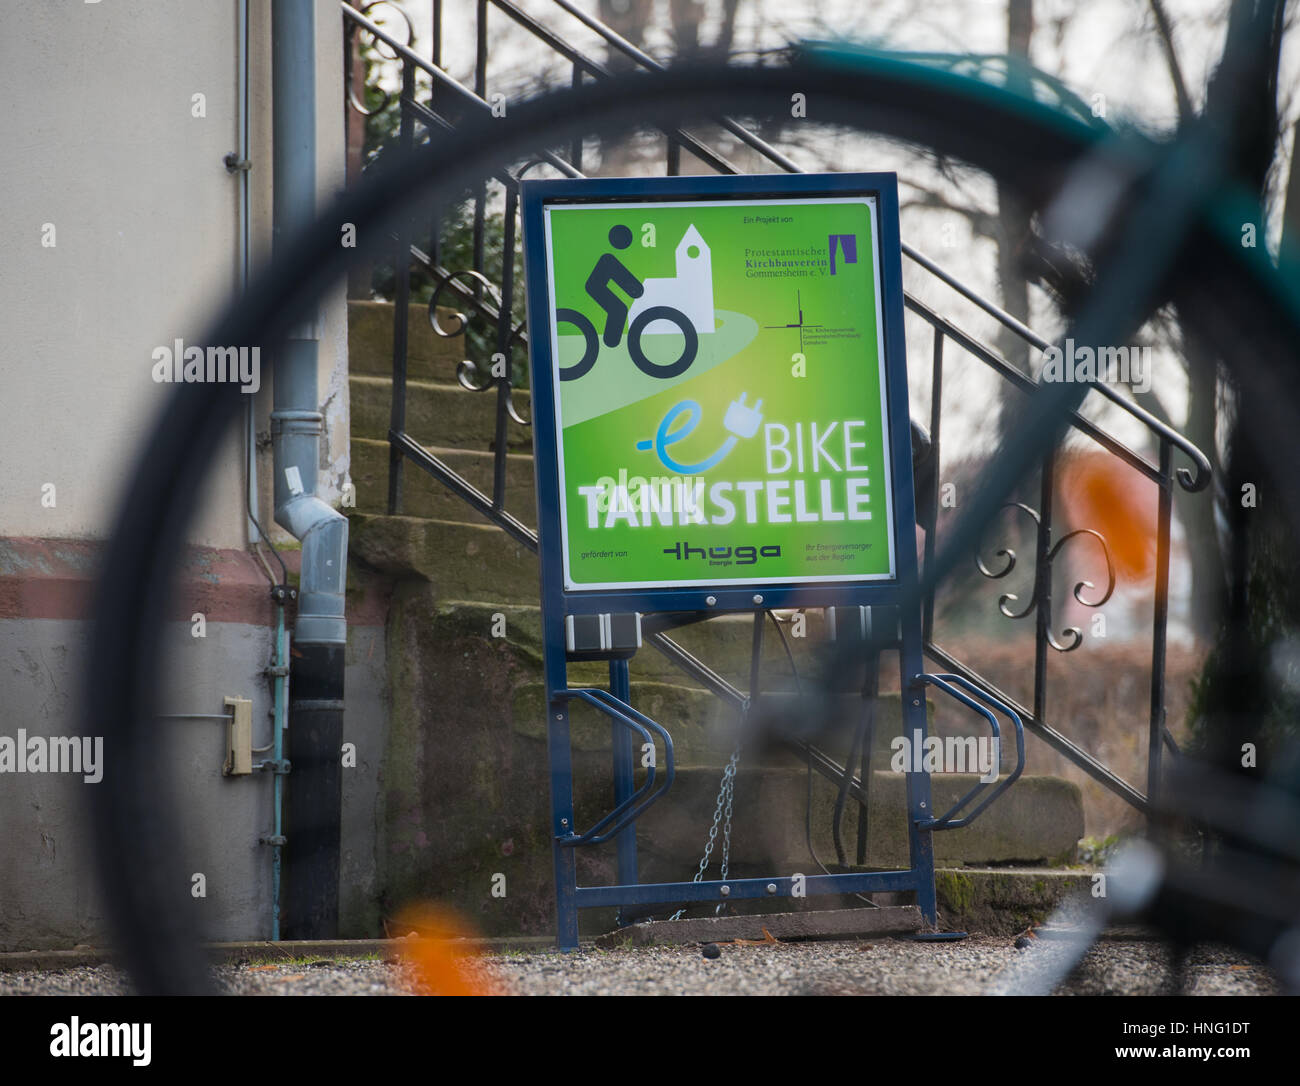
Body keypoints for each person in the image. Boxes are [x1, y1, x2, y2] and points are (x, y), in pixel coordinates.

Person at [584, 224, 644, 348]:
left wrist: (635, 290)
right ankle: (611, 341)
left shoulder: (608, 260)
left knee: (620, 307)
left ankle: (611, 341)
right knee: (619, 309)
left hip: (601, 279)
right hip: (597, 283)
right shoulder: (607, 260)